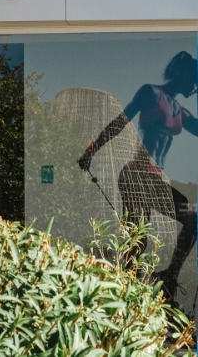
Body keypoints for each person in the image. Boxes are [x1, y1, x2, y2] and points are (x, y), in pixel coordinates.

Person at [78, 51, 198, 303]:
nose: (195, 88)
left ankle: (168, 277)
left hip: (156, 180)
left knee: (192, 219)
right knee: (138, 238)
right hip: (135, 174)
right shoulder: (152, 93)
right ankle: (125, 293)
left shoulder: (182, 112)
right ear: (184, 75)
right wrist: (92, 150)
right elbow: (120, 122)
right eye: (194, 81)